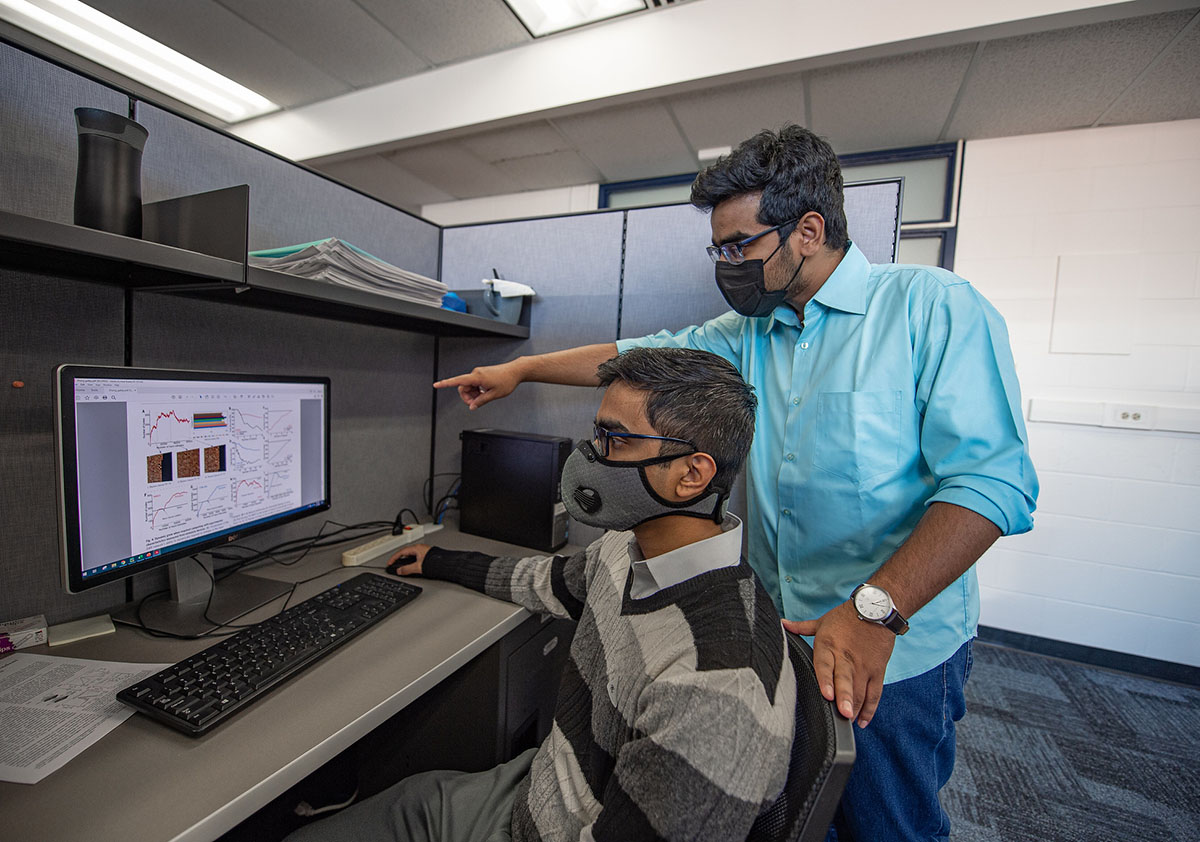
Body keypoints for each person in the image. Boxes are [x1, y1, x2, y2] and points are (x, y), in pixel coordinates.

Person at [433, 125, 1039, 841]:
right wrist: (521, 369)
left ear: (808, 231)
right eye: (717, 248)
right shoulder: (747, 334)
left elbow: (993, 484)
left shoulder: (930, 308)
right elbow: (633, 355)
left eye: (738, 246)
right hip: (782, 632)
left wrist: (876, 611)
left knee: (887, 827)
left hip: (894, 645)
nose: (726, 264)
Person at [287, 347, 796, 842]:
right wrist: (440, 560)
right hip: (533, 793)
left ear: (691, 474)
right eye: (596, 433)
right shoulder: (628, 550)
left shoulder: (719, 690)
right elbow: (549, 581)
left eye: (613, 440)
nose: (590, 456)